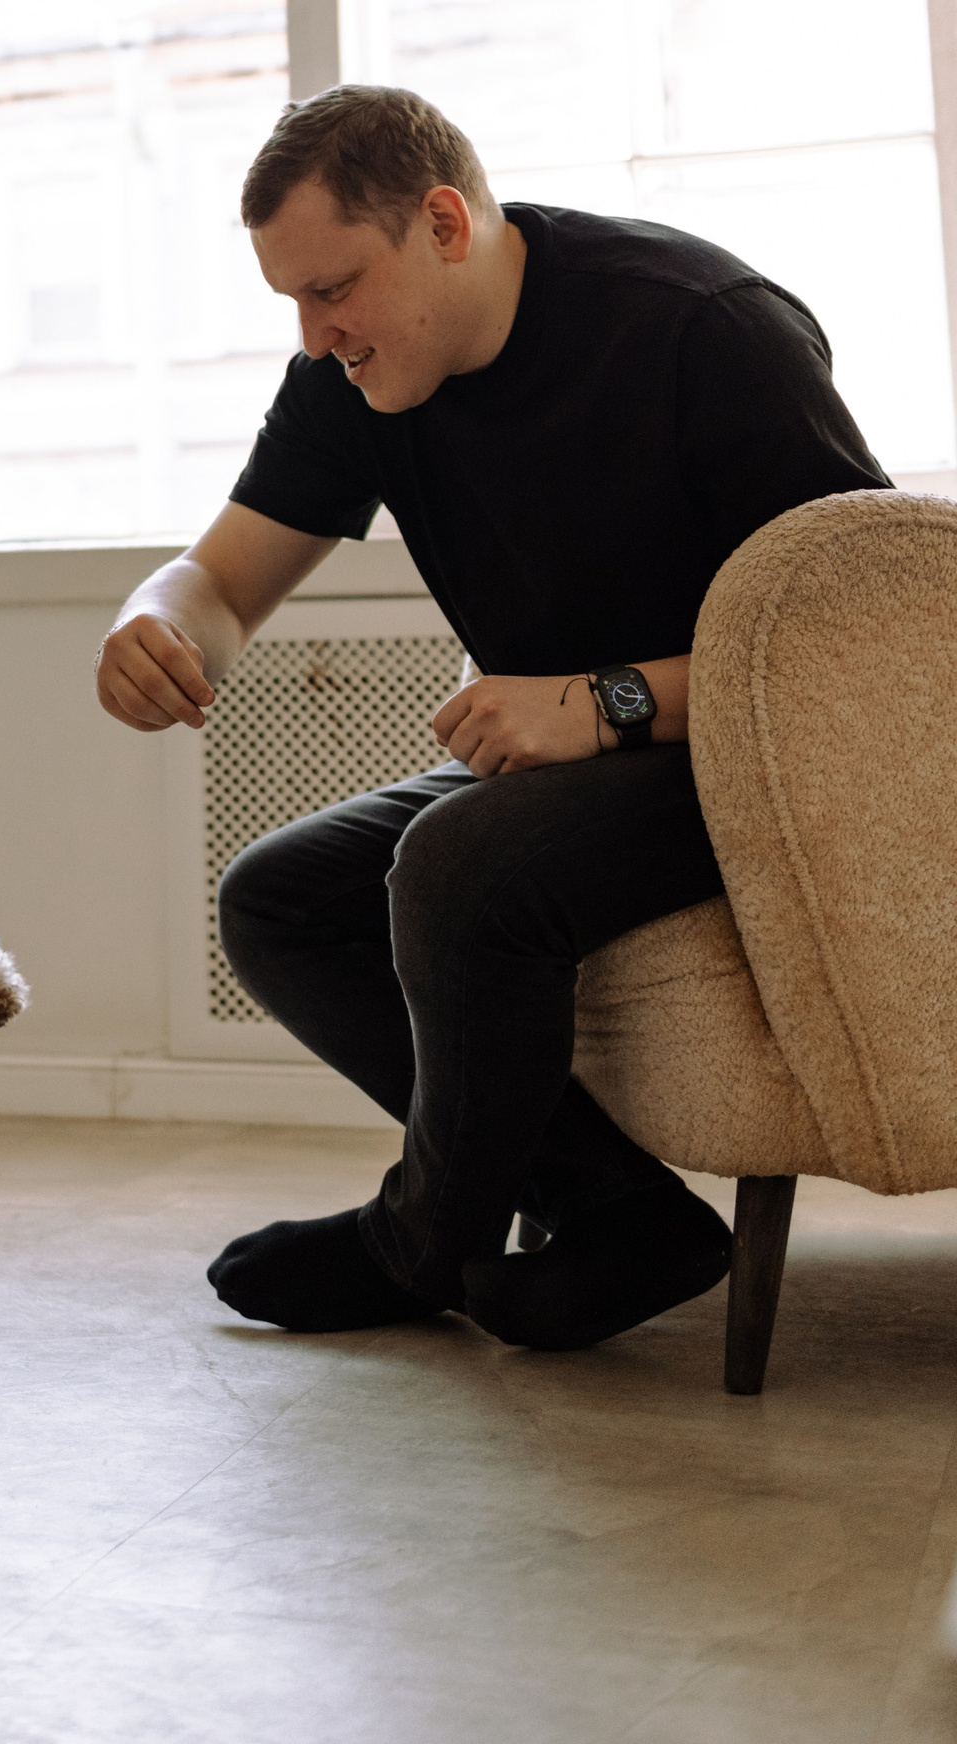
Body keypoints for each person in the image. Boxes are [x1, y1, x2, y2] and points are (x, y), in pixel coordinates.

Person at [94, 85, 888, 1351]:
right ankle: (621, 1213)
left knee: (457, 862)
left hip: (755, 756)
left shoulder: (700, 325)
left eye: (333, 289)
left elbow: (857, 646)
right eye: (292, 300)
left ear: (445, 225)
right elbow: (222, 583)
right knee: (276, 899)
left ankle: (417, 1241)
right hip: (564, 763)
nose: (315, 335)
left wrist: (604, 706)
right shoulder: (353, 377)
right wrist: (157, 624)